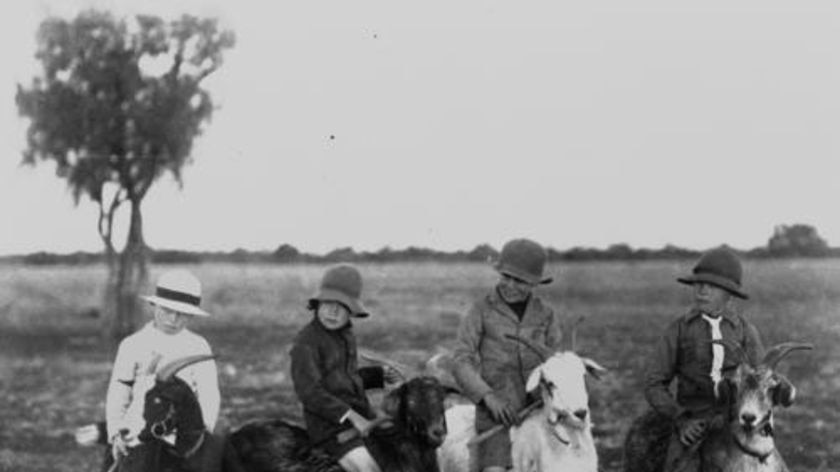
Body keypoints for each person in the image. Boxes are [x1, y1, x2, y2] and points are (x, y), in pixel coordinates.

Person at [644, 247, 795, 472]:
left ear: (729, 293)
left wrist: (781, 386)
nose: (702, 291)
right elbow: (654, 383)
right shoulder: (678, 330)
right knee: (678, 465)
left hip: (737, 420)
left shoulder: (745, 331)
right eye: (698, 284)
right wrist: (681, 419)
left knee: (775, 464)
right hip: (693, 419)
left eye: (712, 286)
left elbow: (760, 377)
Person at [452, 238, 564, 472]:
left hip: (539, 411)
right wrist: (488, 397)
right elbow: (462, 360)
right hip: (497, 416)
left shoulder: (545, 314)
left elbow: (557, 364)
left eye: (520, 281)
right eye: (506, 277)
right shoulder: (481, 310)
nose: (510, 285)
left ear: (534, 283)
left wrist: (546, 398)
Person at [290, 264, 401, 472]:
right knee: (370, 468)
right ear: (317, 304)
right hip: (331, 432)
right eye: (328, 303)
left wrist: (378, 376)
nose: (333, 311)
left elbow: (343, 380)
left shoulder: (345, 336)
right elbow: (309, 392)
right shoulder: (306, 343)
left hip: (364, 419)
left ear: (352, 311)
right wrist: (351, 416)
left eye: (341, 306)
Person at [105, 269, 220, 462]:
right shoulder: (132, 344)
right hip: (137, 435)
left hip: (184, 440)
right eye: (167, 310)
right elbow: (119, 392)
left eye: (182, 314)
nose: (173, 320)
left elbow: (209, 395)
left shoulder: (198, 345)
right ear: (154, 305)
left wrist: (203, 433)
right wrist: (116, 432)